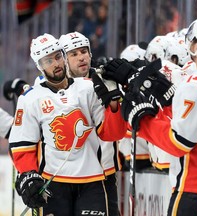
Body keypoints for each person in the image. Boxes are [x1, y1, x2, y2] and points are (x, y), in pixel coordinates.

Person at [105, 16, 197, 215]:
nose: (190, 43)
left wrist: (142, 121)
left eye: (193, 39)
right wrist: (169, 101)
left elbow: (178, 142)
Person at [8, 33, 127, 215]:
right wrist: (28, 176)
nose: (56, 64)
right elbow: (23, 147)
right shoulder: (30, 98)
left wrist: (113, 106)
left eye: (57, 57)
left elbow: (112, 134)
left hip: (92, 182)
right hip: (53, 184)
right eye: (48, 61)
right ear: (39, 66)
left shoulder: (88, 88)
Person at [59, 31, 121, 215]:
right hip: (64, 177)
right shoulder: (52, 89)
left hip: (103, 174)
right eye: (74, 54)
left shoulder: (107, 81)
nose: (81, 58)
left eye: (84, 51)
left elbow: (117, 126)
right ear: (63, 58)